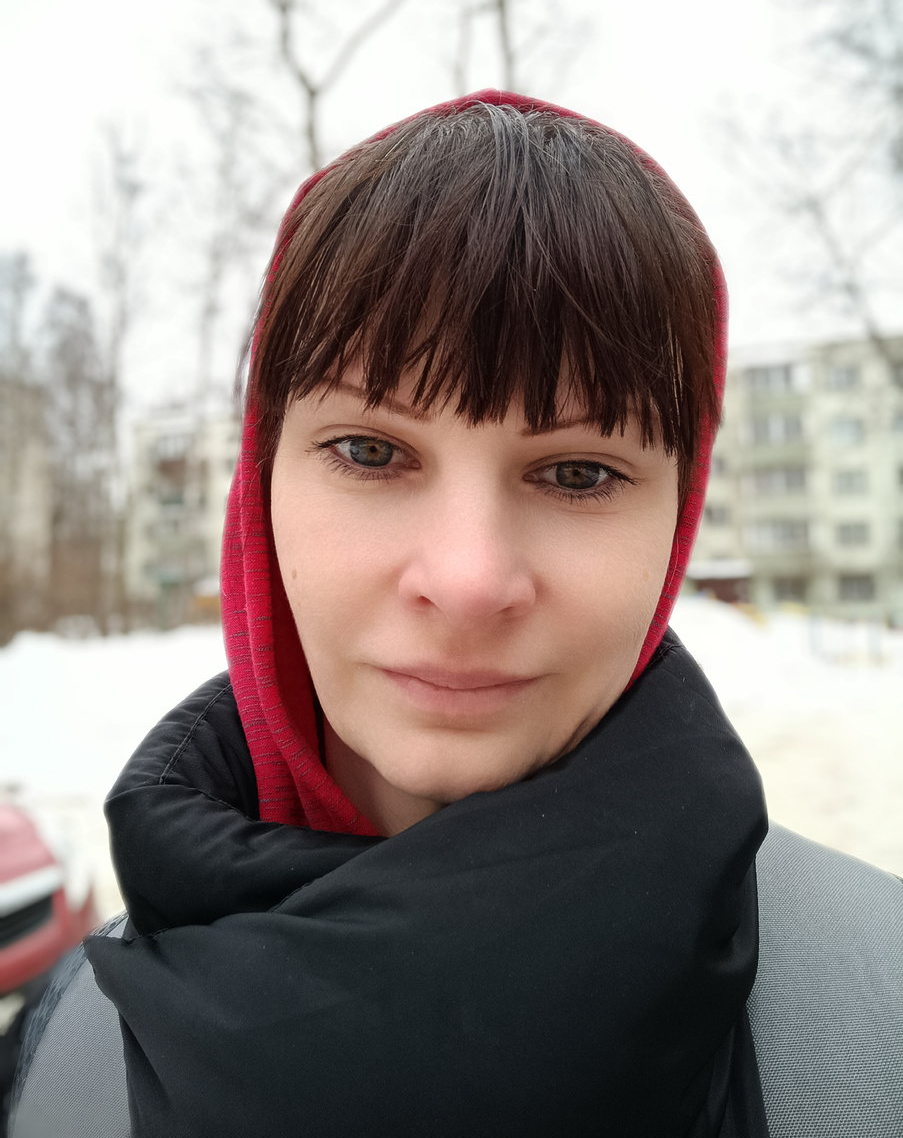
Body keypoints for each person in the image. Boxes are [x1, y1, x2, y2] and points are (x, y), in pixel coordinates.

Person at [10, 91, 903, 1138]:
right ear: (260, 486)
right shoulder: (58, 1060)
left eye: (576, 472)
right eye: (371, 452)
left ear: (679, 513)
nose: (471, 580)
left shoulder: (870, 1019)